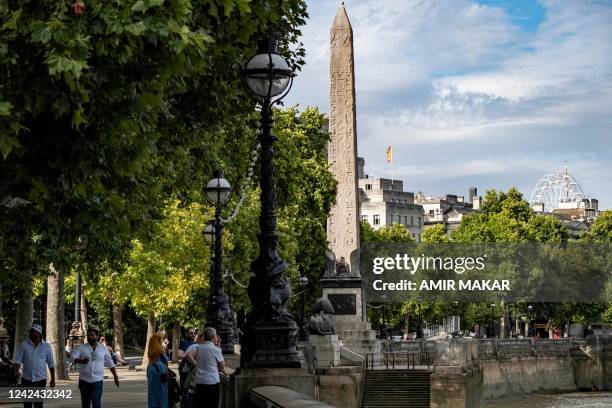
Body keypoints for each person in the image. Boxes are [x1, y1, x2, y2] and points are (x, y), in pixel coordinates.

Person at [72, 328, 119, 408]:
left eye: (92, 335)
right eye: (89, 335)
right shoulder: (81, 347)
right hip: (84, 381)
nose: (90, 337)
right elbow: (73, 357)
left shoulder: (103, 348)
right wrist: (81, 360)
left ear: (97, 336)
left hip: (98, 381)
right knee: (85, 404)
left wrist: (115, 376)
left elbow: (110, 363)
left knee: (96, 403)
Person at [14, 324, 55, 408]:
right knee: (27, 404)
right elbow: (18, 360)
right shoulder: (24, 345)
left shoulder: (46, 347)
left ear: (39, 333)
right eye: (31, 332)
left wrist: (53, 379)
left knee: (38, 404)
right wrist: (16, 371)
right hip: (26, 380)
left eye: (34, 332)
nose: (32, 334)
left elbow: (51, 363)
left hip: (40, 380)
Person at [184, 327, 225, 407]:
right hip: (212, 382)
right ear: (213, 337)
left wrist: (196, 364)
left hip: (199, 382)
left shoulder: (198, 348)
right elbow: (222, 367)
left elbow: (188, 355)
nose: (217, 337)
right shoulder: (216, 349)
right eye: (216, 335)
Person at [147, 332, 169, 408]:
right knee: (161, 391)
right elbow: (166, 359)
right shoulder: (159, 348)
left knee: (152, 391)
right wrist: (164, 348)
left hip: (151, 368)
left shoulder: (151, 348)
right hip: (160, 369)